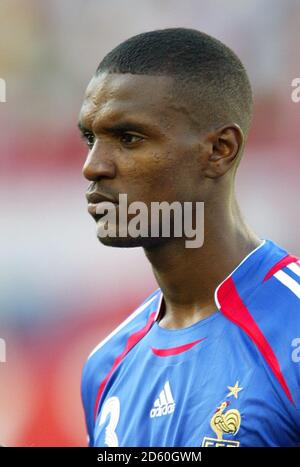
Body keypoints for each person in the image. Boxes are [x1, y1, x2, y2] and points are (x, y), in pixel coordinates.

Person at [78, 28, 300, 447]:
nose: (93, 166)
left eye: (128, 138)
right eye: (90, 138)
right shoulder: (106, 365)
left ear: (219, 149)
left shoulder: (291, 333)